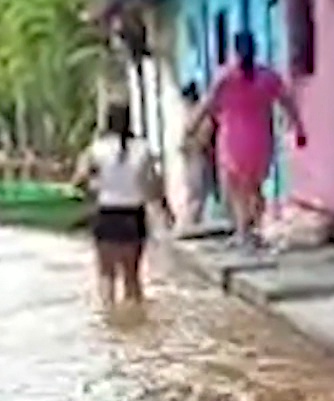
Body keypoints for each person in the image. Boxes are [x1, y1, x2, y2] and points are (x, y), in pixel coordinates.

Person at [189, 30, 306, 250]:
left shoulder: (225, 77)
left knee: (236, 189)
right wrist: (299, 129)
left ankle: (244, 232)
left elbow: (207, 104)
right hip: (260, 138)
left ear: (235, 50)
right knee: (255, 187)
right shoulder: (268, 77)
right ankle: (254, 230)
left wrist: (191, 127)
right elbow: (287, 102)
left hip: (233, 139)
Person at [72, 101, 172, 308]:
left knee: (106, 275)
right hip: (133, 216)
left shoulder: (96, 149)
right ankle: (134, 323)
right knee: (132, 277)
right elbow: (154, 186)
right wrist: (166, 211)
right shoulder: (143, 149)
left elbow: (78, 181)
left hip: (107, 214)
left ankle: (110, 321)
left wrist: (96, 189)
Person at [178, 82, 215, 227]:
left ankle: (191, 223)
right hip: (194, 156)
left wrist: (191, 145)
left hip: (198, 156)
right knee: (195, 192)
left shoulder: (199, 114)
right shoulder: (192, 113)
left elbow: (204, 135)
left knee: (197, 192)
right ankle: (192, 223)